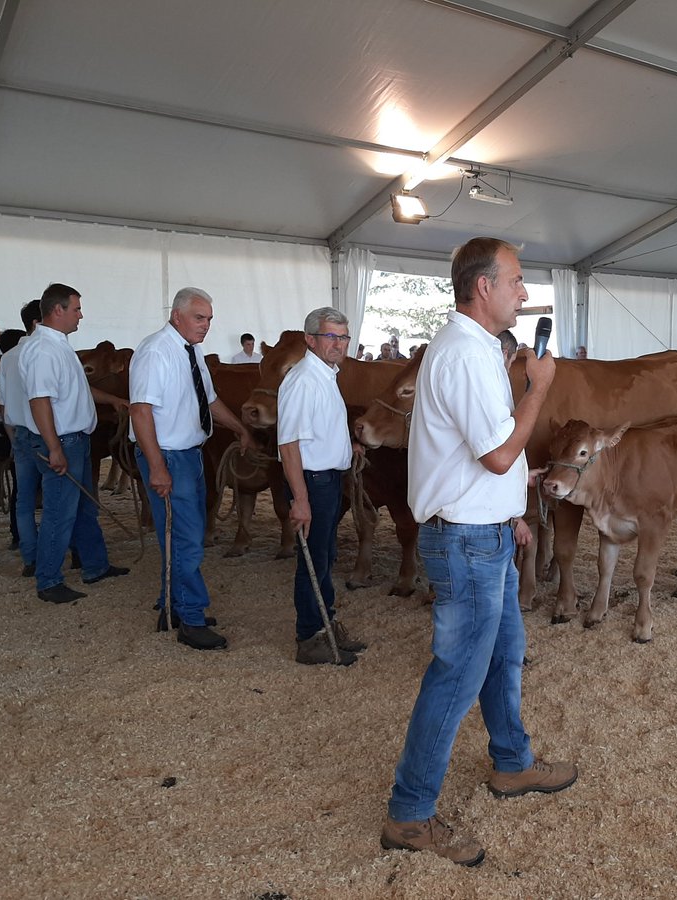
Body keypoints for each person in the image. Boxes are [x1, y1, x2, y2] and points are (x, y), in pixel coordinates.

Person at [382, 237, 576, 867]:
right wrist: (538, 389)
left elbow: (488, 457)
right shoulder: (465, 354)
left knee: (504, 655)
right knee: (457, 674)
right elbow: (498, 454)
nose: (525, 292)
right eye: (517, 280)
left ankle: (512, 764)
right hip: (464, 541)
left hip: (482, 532)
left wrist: (509, 514)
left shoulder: (477, 350)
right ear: (484, 287)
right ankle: (409, 815)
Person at [130, 288, 252, 650]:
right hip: (168, 455)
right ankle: (191, 619)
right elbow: (140, 411)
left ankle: (173, 606)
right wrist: (156, 466)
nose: (207, 326)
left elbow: (209, 399)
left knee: (182, 535)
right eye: (200, 318)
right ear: (177, 315)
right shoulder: (155, 351)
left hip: (190, 454)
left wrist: (240, 428)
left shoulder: (191, 351)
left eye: (210, 319)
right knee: (186, 539)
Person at [19, 283, 129, 604]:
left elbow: (78, 390)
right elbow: (40, 401)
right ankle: (49, 580)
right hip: (62, 440)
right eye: (76, 308)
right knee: (59, 512)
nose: (81, 315)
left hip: (75, 439)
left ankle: (95, 565)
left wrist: (115, 400)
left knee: (84, 506)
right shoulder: (42, 350)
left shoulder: (60, 345)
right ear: (58, 311)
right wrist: (54, 448)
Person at [277, 306, 365, 665]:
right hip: (312, 483)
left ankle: (325, 625)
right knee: (313, 558)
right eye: (331, 336)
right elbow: (288, 445)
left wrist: (349, 446)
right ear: (310, 339)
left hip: (327, 479)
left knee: (326, 555)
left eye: (343, 337)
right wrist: (300, 499)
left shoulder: (326, 375)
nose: (338, 344)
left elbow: (317, 432)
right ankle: (310, 637)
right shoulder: (301, 380)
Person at [0, 300, 43, 576]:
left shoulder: (8, 357)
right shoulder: (41, 352)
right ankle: (55, 556)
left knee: (24, 498)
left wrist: (13, 438)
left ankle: (31, 558)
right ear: (38, 322)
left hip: (20, 434)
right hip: (45, 434)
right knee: (57, 498)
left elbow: (2, 404)